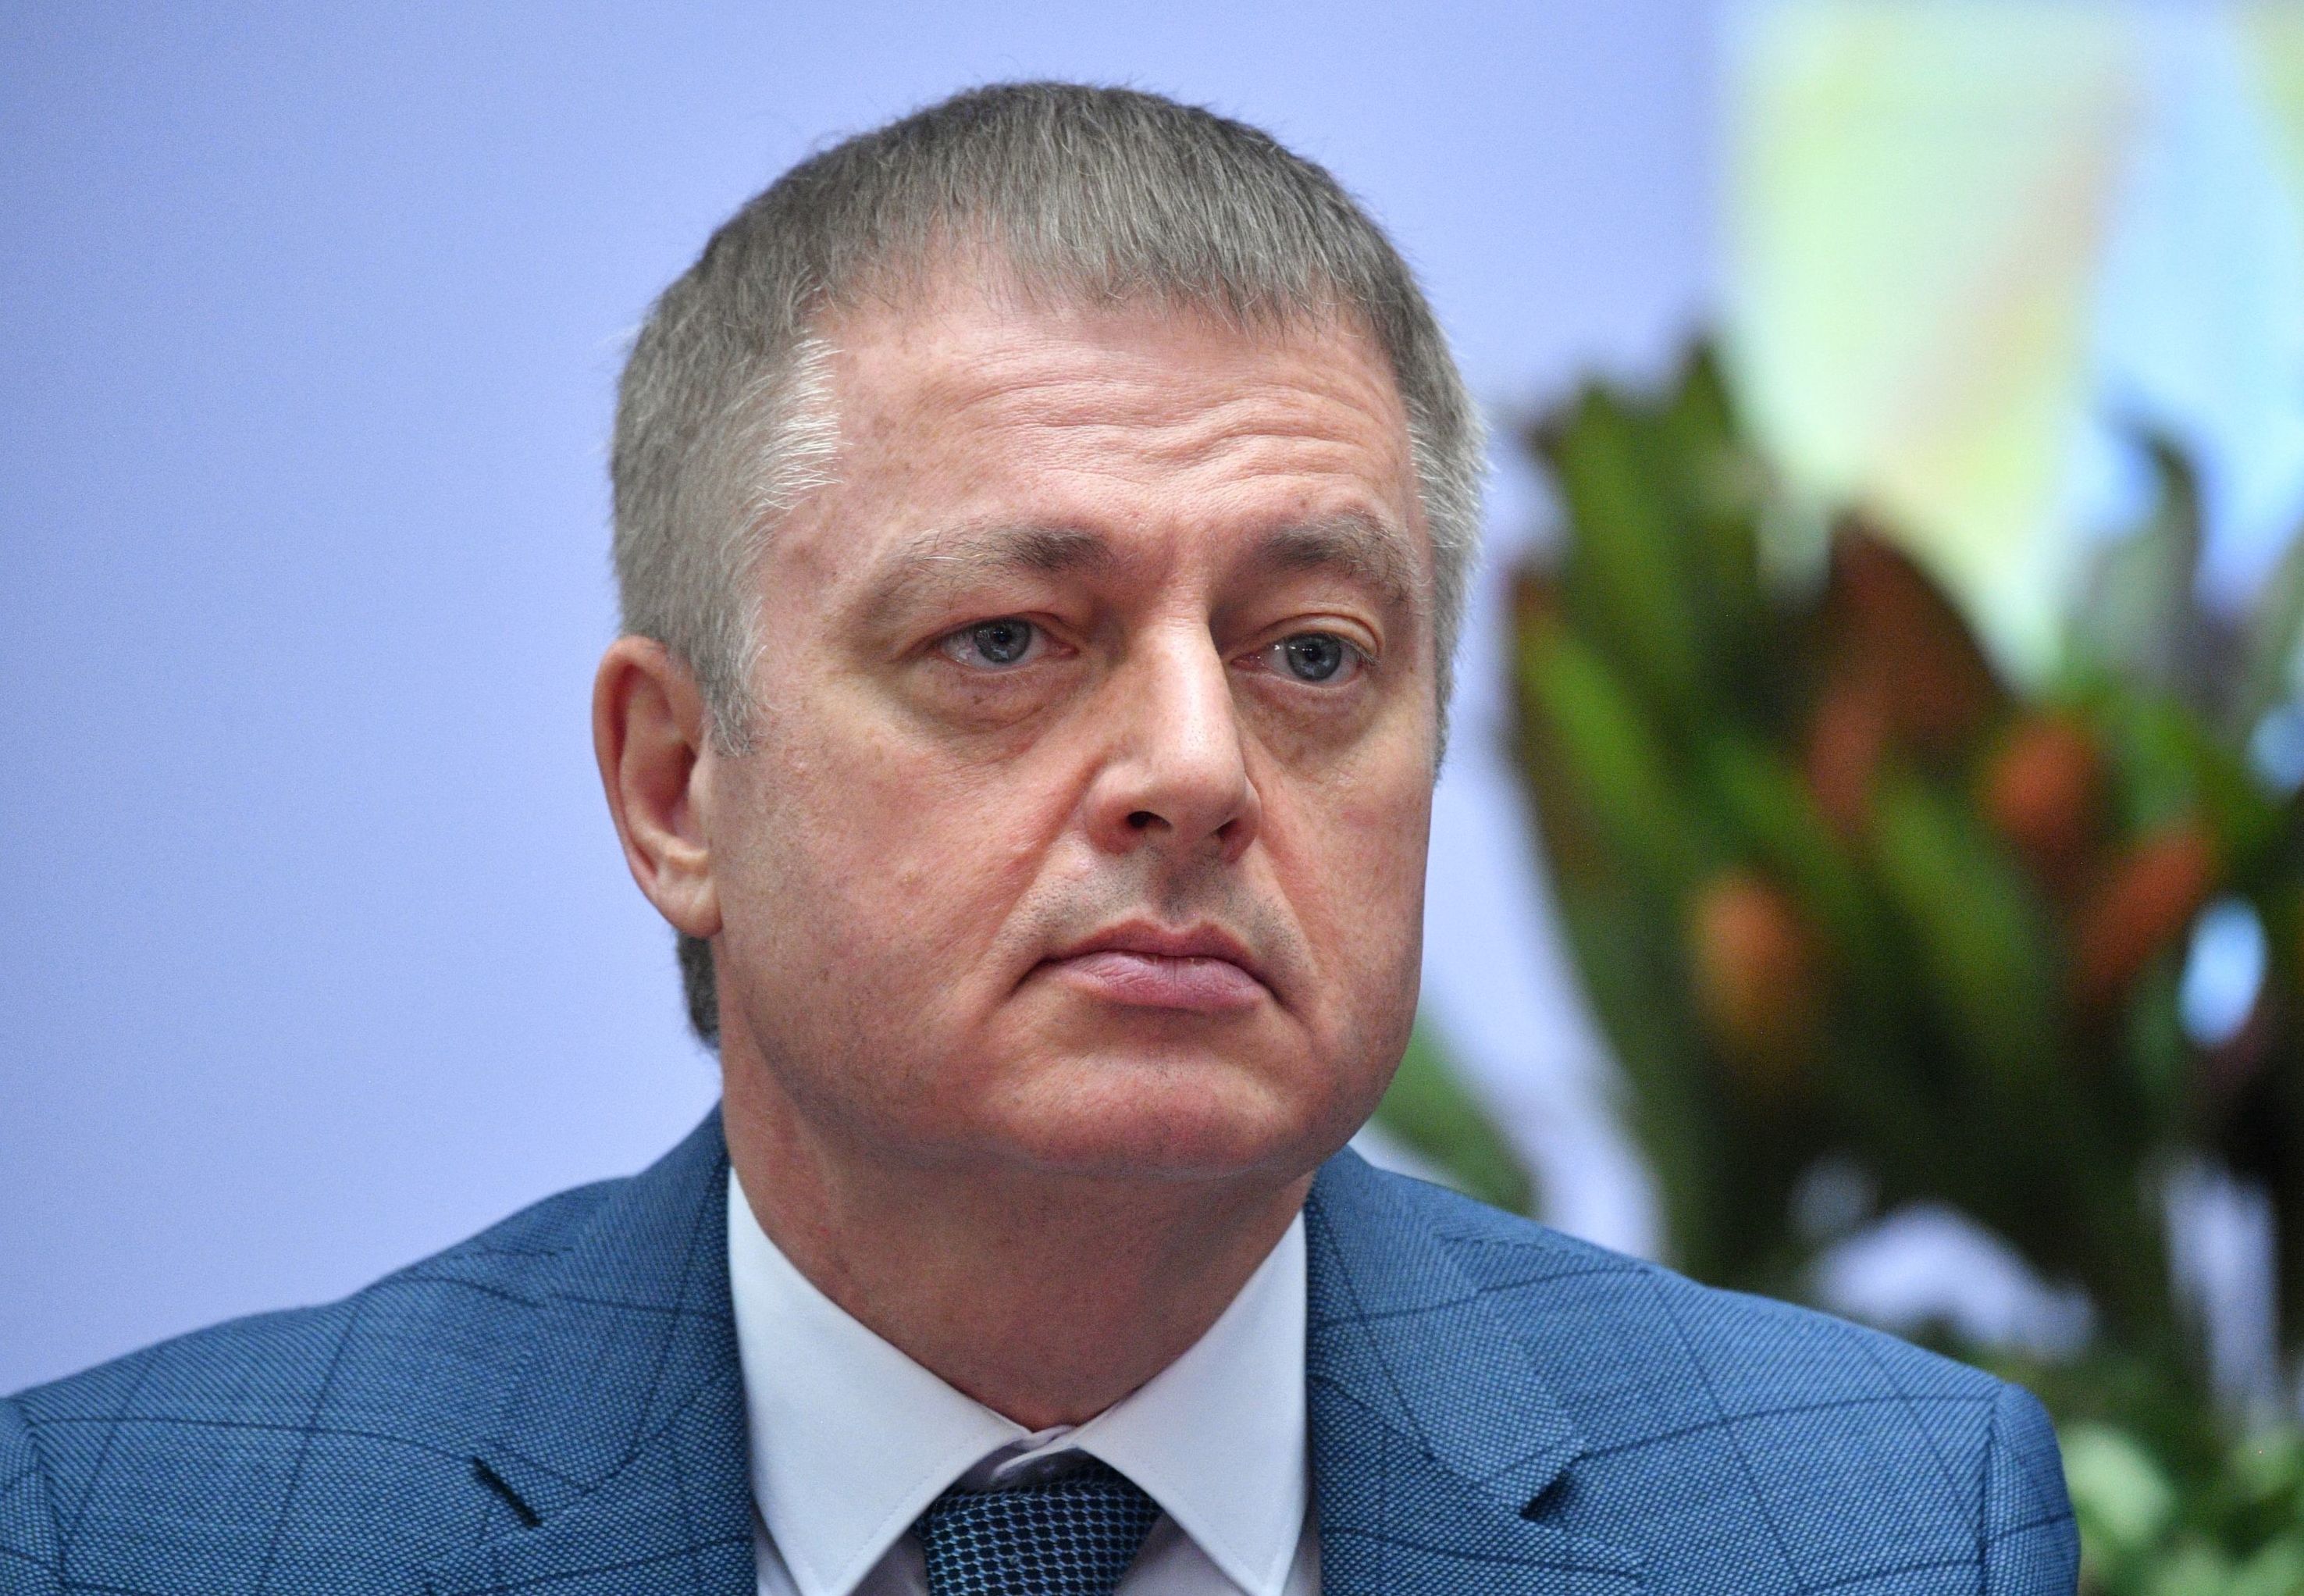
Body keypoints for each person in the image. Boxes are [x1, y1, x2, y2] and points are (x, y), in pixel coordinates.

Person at [0, 83, 2077, 1596]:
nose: (1196, 766)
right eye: (1005, 639)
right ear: (676, 783)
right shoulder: (139, 1538)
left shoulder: (1874, 1533)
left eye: (1314, 653)